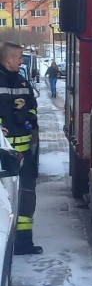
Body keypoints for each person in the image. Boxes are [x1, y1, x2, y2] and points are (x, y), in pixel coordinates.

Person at [0, 42, 42, 255]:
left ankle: (24, 243)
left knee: (26, 196)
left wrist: (29, 120)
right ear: (8, 60)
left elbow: (33, 107)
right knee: (3, 200)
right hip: (2, 155)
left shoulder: (24, 83)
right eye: (19, 57)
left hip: (24, 154)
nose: (22, 61)